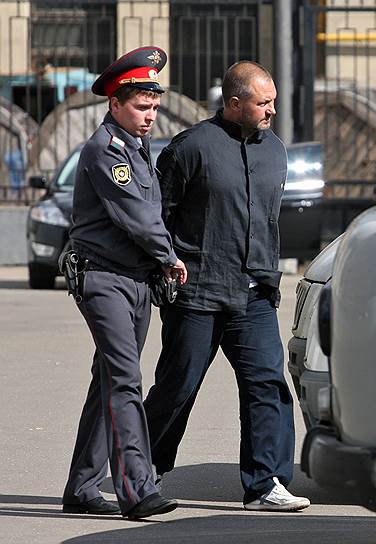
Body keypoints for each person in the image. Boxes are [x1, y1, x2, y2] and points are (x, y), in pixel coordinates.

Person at [143, 61, 310, 512]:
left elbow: (269, 220)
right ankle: (142, 471)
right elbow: (160, 216)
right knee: (178, 386)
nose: (272, 110)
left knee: (266, 385)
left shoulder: (274, 149)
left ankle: (266, 483)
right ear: (234, 104)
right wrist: (164, 268)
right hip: (198, 292)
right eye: (264, 102)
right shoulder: (191, 148)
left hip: (254, 293)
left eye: (273, 100)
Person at [61, 46, 187, 520]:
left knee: (109, 380)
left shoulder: (137, 147)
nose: (150, 114)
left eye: (154, 106)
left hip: (134, 280)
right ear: (115, 103)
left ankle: (81, 485)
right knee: (125, 382)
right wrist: (170, 257)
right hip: (104, 279)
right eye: (141, 105)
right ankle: (136, 488)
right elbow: (138, 218)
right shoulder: (106, 150)